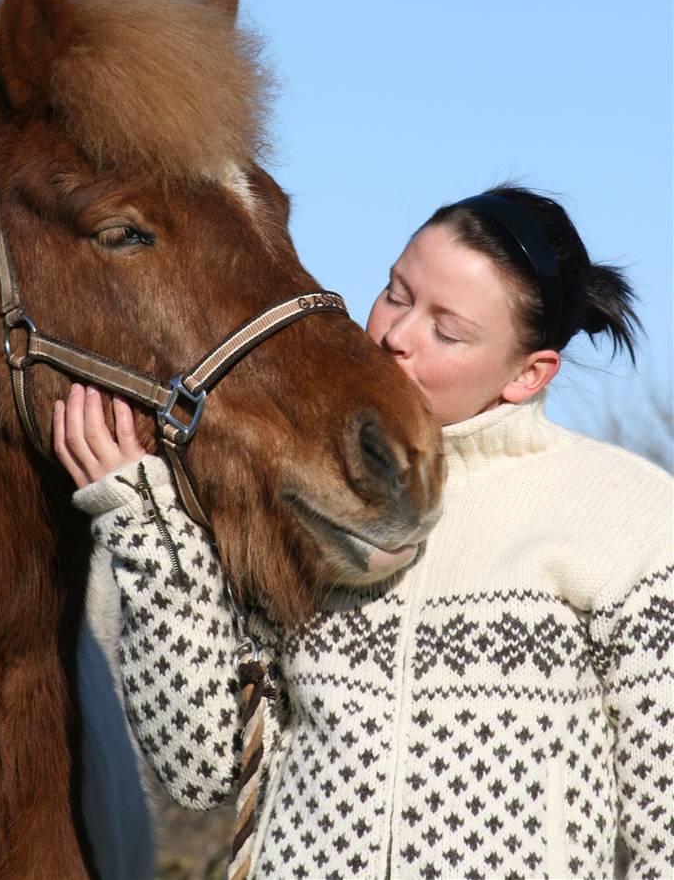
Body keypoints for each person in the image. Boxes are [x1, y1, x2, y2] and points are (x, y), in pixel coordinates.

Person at [55, 185, 673, 880]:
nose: (394, 336)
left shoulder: (633, 518)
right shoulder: (310, 496)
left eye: (447, 330)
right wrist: (141, 519)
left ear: (529, 375)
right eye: (397, 292)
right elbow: (198, 771)